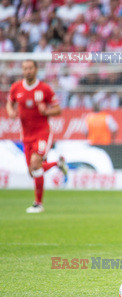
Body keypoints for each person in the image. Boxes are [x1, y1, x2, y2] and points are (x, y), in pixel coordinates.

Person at [6, 60, 68, 213]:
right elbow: (9, 103)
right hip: (26, 135)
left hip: (42, 133)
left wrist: (46, 112)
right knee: (32, 171)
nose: (27, 71)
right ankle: (57, 164)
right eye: (25, 68)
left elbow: (58, 110)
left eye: (30, 68)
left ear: (35, 70)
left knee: (35, 164)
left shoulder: (44, 89)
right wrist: (11, 112)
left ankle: (38, 204)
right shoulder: (16, 87)